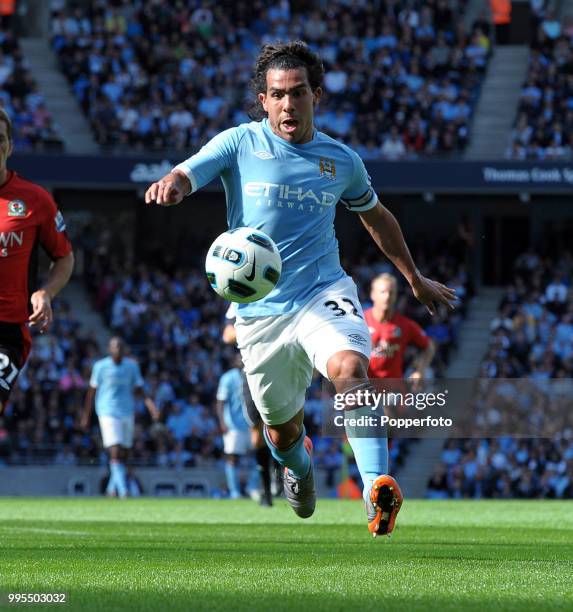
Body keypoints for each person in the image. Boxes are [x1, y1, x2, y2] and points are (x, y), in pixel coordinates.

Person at [145, 41, 455, 537]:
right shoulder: (238, 143)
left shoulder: (341, 160)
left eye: (298, 93)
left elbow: (376, 218)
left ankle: (376, 490)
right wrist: (175, 184)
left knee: (351, 368)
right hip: (259, 312)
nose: (288, 104)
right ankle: (299, 465)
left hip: (322, 292)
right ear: (263, 100)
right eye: (277, 95)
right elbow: (190, 170)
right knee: (282, 431)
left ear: (316, 96)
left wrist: (413, 278)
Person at [0, 108, 74, 415]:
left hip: (7, 330)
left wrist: (47, 292)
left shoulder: (35, 200)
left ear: (10, 146)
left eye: (0, 139)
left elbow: (64, 257)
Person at [82, 337, 159, 498]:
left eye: (120, 347)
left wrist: (151, 407)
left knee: (124, 452)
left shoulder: (132, 366)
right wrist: (86, 415)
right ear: (109, 350)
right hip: (107, 411)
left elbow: (140, 389)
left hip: (126, 411)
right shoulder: (100, 366)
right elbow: (91, 392)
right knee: (115, 449)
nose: (117, 350)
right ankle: (124, 490)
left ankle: (111, 489)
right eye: (114, 347)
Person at [222, 304, 279, 506]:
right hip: (252, 372)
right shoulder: (241, 296)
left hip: (281, 367)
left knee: (282, 427)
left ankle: (281, 474)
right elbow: (228, 334)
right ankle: (266, 490)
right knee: (257, 433)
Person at [366, 273, 435, 382]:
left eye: (391, 292)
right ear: (373, 294)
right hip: (364, 390)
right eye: (383, 292)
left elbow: (429, 347)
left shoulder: (405, 325)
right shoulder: (359, 321)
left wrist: (420, 370)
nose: (387, 296)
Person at [216, 352, 259, 500]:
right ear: (234, 360)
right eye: (238, 357)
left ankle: (252, 486)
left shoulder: (255, 376)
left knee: (261, 456)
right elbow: (220, 401)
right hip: (233, 425)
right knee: (232, 458)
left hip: (252, 424)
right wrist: (222, 422)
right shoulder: (227, 378)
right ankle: (235, 492)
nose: (241, 359)